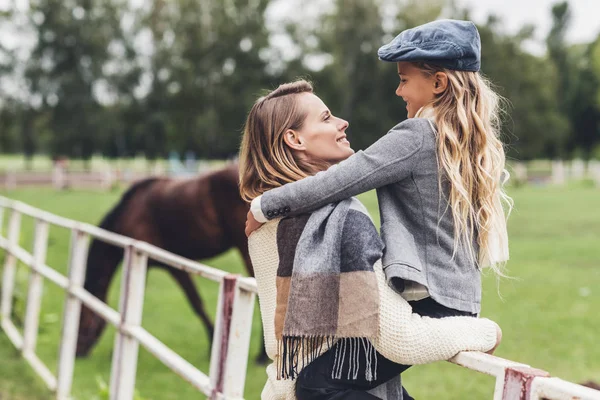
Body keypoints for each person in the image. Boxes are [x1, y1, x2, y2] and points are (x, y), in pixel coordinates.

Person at [239, 79, 501, 400]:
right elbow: (398, 337)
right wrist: (485, 331)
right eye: (325, 118)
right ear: (293, 138)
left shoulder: (266, 222)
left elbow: (286, 343)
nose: (341, 122)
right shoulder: (340, 217)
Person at [245, 19, 511, 320]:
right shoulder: (459, 142)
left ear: (438, 83)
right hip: (462, 300)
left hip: (427, 296)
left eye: (404, 80)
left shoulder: (418, 135)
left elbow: (343, 178)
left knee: (344, 356)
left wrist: (264, 206)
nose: (398, 91)